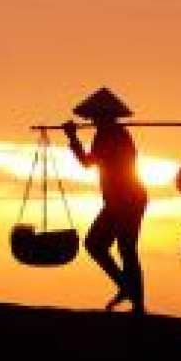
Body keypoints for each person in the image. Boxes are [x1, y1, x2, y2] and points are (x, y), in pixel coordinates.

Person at [63, 87, 148, 313]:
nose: (91, 120)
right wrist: (74, 139)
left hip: (128, 199)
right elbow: (93, 162)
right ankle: (126, 287)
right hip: (118, 200)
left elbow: (87, 163)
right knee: (97, 245)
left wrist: (72, 138)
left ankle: (136, 299)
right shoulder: (108, 133)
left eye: (95, 116)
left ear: (103, 116)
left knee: (124, 248)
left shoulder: (112, 134)